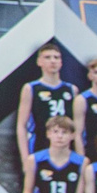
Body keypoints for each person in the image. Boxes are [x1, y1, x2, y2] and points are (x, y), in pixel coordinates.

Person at [13, 40, 77, 170]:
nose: (53, 61)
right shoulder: (31, 88)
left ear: (61, 62)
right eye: (47, 57)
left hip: (66, 149)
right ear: (39, 62)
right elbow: (21, 125)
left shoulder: (71, 90)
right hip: (40, 145)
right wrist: (25, 159)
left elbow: (78, 126)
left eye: (56, 57)